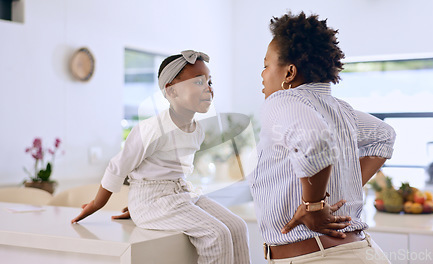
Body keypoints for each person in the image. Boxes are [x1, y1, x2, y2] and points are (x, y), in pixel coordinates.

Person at [71, 50, 251, 264]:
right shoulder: (152, 129)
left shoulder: (197, 130)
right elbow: (117, 168)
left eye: (209, 82)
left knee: (238, 226)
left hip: (180, 194)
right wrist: (96, 205)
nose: (208, 88)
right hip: (152, 201)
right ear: (172, 91)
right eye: (198, 82)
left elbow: (166, 171)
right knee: (216, 234)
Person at [249, 12, 396, 263]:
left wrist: (314, 207)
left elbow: (315, 141)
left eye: (266, 65)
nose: (262, 74)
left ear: (289, 73)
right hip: (362, 253)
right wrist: (335, 192)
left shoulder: (281, 100)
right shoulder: (340, 110)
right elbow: (384, 136)